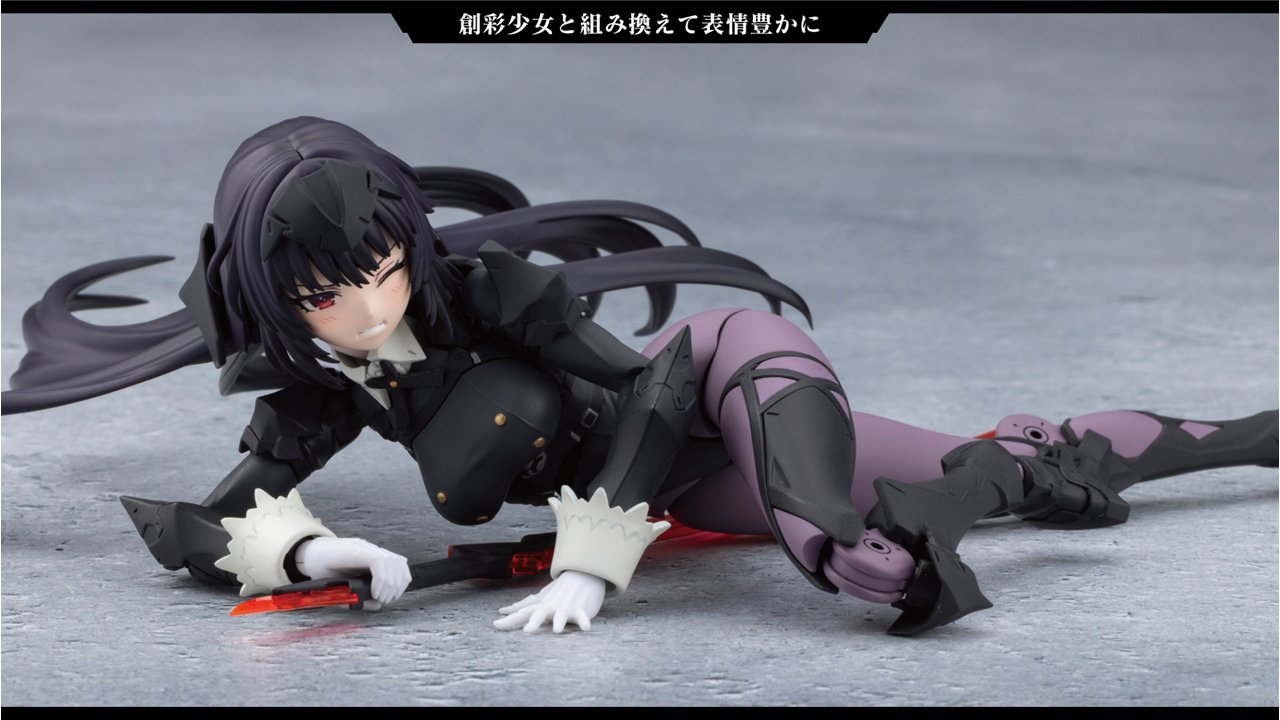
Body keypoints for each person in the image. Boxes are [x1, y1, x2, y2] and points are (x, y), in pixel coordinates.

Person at [4, 117, 1274, 636]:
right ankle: (1086, 457)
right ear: (275, 300)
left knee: (847, 544)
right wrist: (309, 553)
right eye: (327, 292)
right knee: (998, 470)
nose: (371, 305)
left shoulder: (498, 294)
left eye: (383, 265)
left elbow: (659, 387)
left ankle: (1250, 432)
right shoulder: (326, 394)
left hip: (714, 392)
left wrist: (586, 561)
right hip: (679, 490)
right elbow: (205, 522)